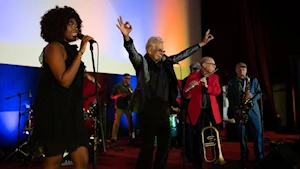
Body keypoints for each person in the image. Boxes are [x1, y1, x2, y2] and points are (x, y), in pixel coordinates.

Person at [116, 16, 214, 169]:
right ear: (149, 50)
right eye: (159, 50)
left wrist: (201, 44)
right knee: (147, 148)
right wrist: (126, 36)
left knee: (164, 147)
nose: (162, 52)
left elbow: (182, 55)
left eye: (163, 50)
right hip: (147, 112)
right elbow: (132, 52)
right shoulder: (142, 63)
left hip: (163, 111)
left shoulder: (166, 63)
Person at [32, 6, 94, 169]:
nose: (76, 28)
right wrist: (81, 52)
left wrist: (85, 75)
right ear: (58, 26)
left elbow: (72, 72)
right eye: (71, 24)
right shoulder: (53, 48)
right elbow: (64, 80)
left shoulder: (69, 50)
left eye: (76, 24)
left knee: (82, 156)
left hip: (72, 110)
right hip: (55, 112)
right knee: (54, 160)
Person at [182, 57, 222, 169]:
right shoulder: (192, 77)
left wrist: (207, 86)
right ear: (204, 65)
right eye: (212, 64)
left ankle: (217, 159)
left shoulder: (215, 77)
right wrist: (191, 87)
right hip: (197, 111)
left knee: (215, 135)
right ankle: (197, 163)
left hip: (211, 110)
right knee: (197, 137)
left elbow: (217, 91)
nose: (214, 67)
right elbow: (185, 95)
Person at [227, 62, 263, 165]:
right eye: (239, 69)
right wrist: (235, 109)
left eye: (243, 69)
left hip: (253, 111)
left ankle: (259, 156)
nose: (241, 71)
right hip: (240, 111)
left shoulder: (253, 80)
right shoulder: (231, 82)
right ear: (236, 71)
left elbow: (259, 93)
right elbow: (230, 97)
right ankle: (244, 157)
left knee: (258, 133)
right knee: (242, 135)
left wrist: (252, 99)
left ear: (246, 70)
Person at [179, 62, 201, 159]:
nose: (193, 71)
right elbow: (185, 96)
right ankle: (189, 153)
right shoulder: (185, 80)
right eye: (192, 69)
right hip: (188, 109)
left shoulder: (201, 80)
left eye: (195, 69)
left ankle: (197, 154)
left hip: (199, 109)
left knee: (197, 133)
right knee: (189, 132)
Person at [110, 73, 136, 145]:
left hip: (127, 106)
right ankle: (113, 138)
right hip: (119, 106)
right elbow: (112, 96)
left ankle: (132, 137)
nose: (129, 80)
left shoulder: (130, 87)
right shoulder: (118, 86)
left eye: (129, 79)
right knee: (117, 122)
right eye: (127, 79)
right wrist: (120, 95)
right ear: (124, 79)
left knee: (130, 122)